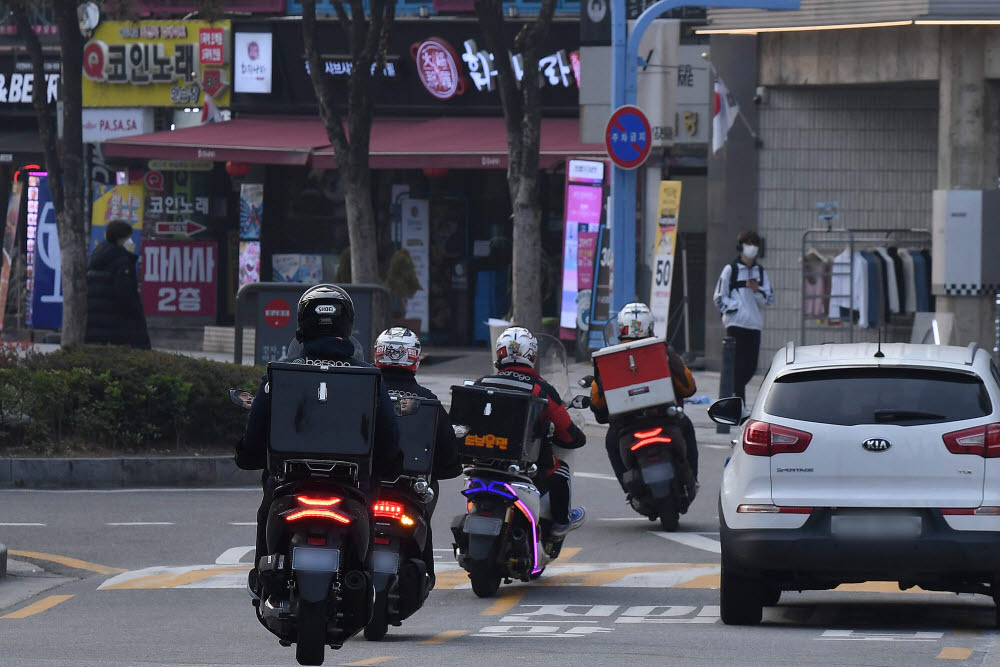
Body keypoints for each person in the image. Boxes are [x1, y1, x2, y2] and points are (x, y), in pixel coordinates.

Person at [236, 284, 402, 594]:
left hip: (289, 482)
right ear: (348, 324)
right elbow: (389, 436)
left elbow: (256, 426)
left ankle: (263, 580)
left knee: (266, 508)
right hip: (351, 486)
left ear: (301, 324)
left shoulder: (280, 373)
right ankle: (361, 581)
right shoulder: (369, 376)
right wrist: (389, 467)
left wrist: (247, 455)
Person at [475, 326, 587, 537]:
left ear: (500, 353)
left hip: (482, 466)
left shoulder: (482, 383)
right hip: (525, 469)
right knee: (561, 471)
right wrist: (576, 438)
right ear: (532, 355)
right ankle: (562, 522)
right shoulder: (540, 389)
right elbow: (566, 431)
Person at [373, 326, 462, 584]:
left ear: (378, 354)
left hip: (367, 484)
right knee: (423, 513)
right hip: (410, 488)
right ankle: (425, 571)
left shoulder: (362, 392)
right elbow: (449, 458)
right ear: (413, 357)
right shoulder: (428, 400)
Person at [589, 303, 699, 489]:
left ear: (621, 327)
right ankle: (692, 481)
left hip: (626, 425)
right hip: (664, 419)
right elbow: (688, 387)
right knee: (686, 427)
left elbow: (597, 403)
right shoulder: (662, 350)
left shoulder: (609, 358)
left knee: (611, 442)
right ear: (649, 326)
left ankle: (629, 489)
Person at [713, 230, 774, 401]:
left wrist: (756, 291)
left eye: (755, 244)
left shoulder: (760, 272)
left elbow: (769, 300)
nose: (752, 248)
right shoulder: (730, 270)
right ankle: (739, 402)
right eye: (748, 244)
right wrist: (735, 308)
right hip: (736, 325)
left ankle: (736, 400)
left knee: (751, 367)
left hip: (754, 325)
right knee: (737, 366)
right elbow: (719, 297)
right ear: (741, 246)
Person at [84, 220, 150, 349]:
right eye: (128, 237)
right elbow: (125, 296)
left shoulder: (97, 255)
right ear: (121, 238)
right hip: (117, 323)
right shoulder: (121, 262)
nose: (130, 240)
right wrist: (136, 314)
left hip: (96, 321)